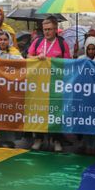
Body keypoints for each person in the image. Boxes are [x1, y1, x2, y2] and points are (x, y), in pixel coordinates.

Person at [28, 15, 71, 152]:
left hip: (56, 83)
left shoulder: (62, 43)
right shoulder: (37, 41)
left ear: (56, 29)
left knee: (55, 112)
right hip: (39, 84)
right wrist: (37, 58)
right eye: (45, 29)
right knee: (39, 111)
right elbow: (28, 57)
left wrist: (55, 61)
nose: (47, 32)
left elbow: (68, 63)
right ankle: (38, 138)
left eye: (50, 29)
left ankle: (56, 139)